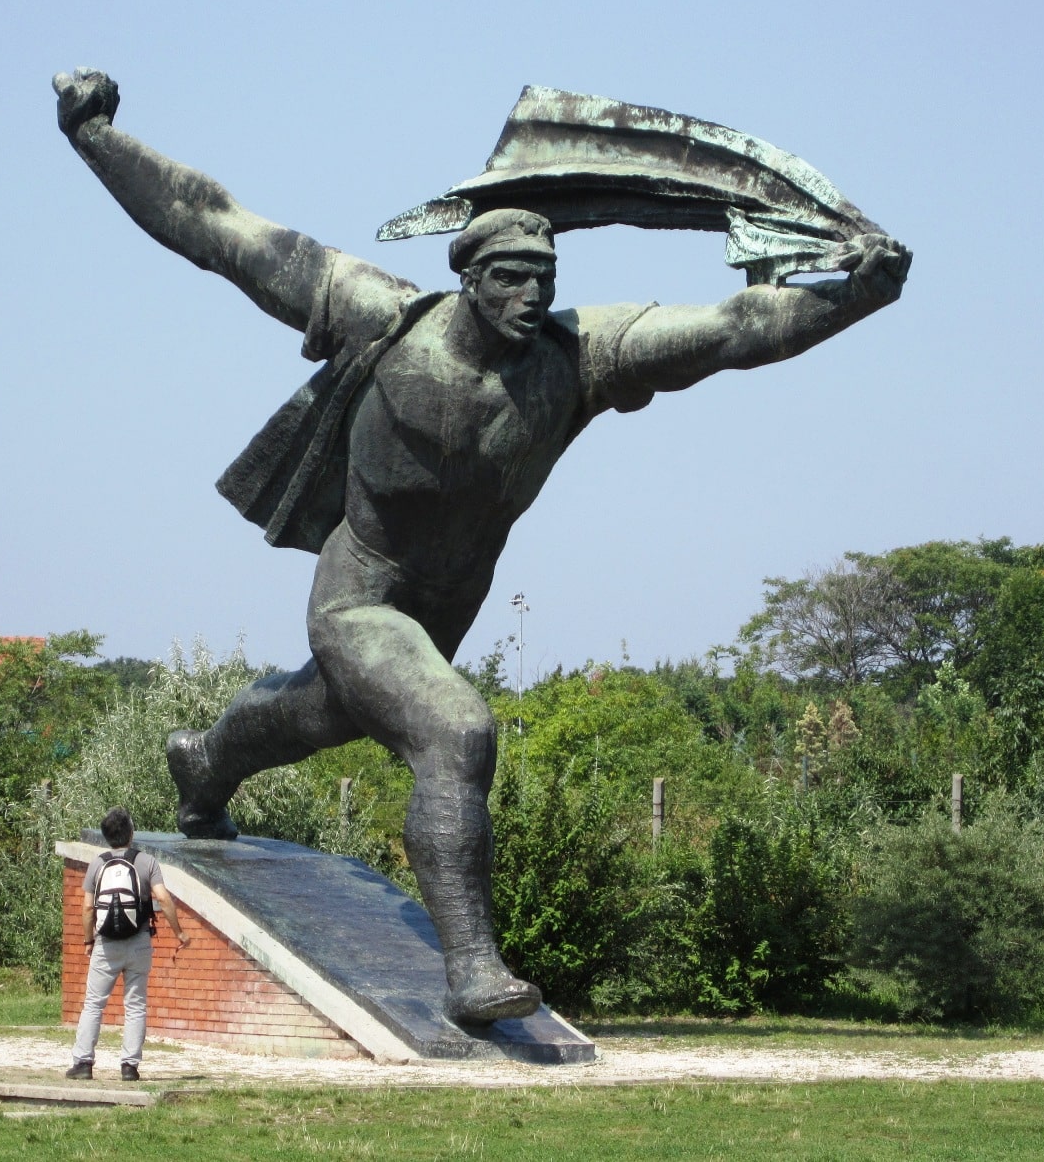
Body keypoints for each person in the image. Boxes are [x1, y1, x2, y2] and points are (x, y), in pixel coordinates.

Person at [53, 70, 909, 1024]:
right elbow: (216, 227)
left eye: (545, 280)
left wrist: (852, 298)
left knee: (317, 716)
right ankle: (471, 972)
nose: (532, 296)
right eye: (511, 278)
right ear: (467, 276)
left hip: (442, 610)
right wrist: (96, 139)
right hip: (362, 595)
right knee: (455, 730)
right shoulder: (378, 315)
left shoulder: (576, 361)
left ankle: (206, 761)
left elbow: (731, 327)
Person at [66, 805, 189, 1081]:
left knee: (94, 1004)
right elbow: (164, 899)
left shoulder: (97, 864)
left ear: (106, 836)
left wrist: (88, 940)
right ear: (131, 833)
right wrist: (179, 932)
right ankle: (129, 1066)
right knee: (135, 1005)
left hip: (106, 945)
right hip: (139, 942)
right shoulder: (147, 862)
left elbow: (87, 909)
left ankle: (83, 1063)